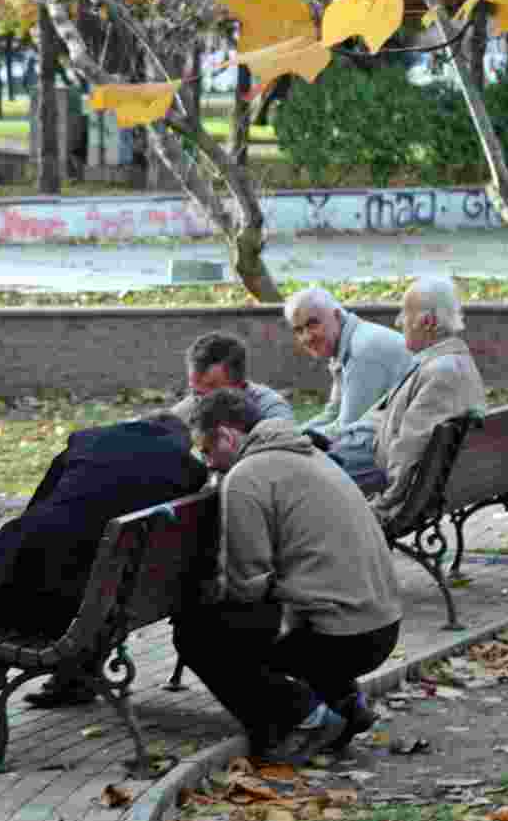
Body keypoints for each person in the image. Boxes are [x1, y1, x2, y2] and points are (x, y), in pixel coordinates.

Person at [0, 414, 208, 749]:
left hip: (48, 599)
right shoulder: (189, 474)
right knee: (5, 594)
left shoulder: (89, 444)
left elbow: (37, 508)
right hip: (97, 605)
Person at [175, 388, 402, 764]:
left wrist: (204, 595)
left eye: (207, 450)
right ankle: (346, 703)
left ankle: (302, 719)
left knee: (197, 637)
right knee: (284, 609)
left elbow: (246, 586)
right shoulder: (309, 452)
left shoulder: (246, 476)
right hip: (382, 623)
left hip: (344, 637)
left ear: (229, 436)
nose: (209, 464)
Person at [327, 276, 486, 519]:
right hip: (359, 449)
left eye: (405, 313)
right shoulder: (440, 362)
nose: (398, 321)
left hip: (370, 466)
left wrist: (384, 506)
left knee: (294, 482)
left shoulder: (443, 372)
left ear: (429, 322)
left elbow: (409, 452)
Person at [284, 286, 412, 433]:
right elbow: (332, 414)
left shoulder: (362, 351)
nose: (306, 337)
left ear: (337, 316)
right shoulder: (344, 344)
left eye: (312, 324)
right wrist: (292, 435)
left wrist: (291, 442)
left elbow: (348, 429)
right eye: (299, 330)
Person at [170, 332, 293, 425]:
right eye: (196, 392)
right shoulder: (195, 402)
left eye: (211, 390)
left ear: (238, 386)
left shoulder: (272, 411)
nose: (201, 402)